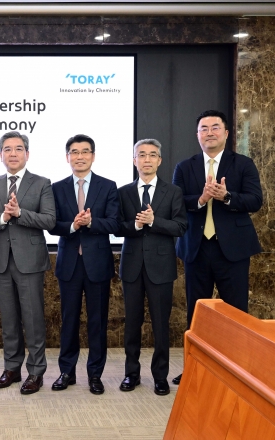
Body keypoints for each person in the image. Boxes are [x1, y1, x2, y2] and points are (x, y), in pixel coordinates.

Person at [171, 110, 263, 385]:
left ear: (225, 133)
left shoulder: (243, 164)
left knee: (236, 313)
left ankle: (238, 371)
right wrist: (200, 198)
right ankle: (195, 368)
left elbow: (255, 200)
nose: (209, 132)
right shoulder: (184, 167)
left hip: (232, 250)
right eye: (203, 128)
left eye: (214, 127)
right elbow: (176, 203)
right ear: (197, 134)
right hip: (196, 249)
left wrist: (227, 196)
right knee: (197, 313)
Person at [0, 131, 56, 395]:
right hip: (1, 260)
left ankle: (36, 372)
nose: (13, 153)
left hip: (30, 262)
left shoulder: (42, 183)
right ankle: (11, 368)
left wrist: (20, 214)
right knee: (9, 319)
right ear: (0, 155)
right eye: (7, 149)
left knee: (33, 319)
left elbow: (49, 220)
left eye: (18, 149)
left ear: (27, 154)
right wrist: (3, 217)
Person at [48, 134, 119, 395]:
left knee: (97, 321)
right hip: (69, 263)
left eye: (85, 152)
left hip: (97, 263)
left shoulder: (108, 186)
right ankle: (67, 372)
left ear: (93, 156)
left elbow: (114, 223)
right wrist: (72, 225)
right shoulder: (57, 188)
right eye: (74, 152)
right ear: (67, 157)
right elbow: (52, 224)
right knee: (69, 320)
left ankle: (95, 374)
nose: (80, 156)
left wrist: (90, 223)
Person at [116, 139, 187, 396]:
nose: (147, 160)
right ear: (134, 160)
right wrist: (135, 225)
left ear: (159, 160)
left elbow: (180, 226)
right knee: (132, 323)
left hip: (161, 266)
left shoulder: (173, 192)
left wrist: (154, 221)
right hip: (132, 266)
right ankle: (131, 374)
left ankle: (160, 377)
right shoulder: (123, 192)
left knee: (160, 324)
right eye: (141, 155)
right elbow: (117, 226)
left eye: (152, 155)